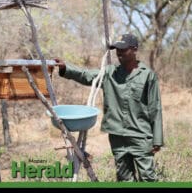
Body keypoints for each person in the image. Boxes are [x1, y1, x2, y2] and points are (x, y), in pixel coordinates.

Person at [54, 33, 163, 182]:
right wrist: (66, 68)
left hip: (140, 136)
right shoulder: (109, 73)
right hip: (117, 136)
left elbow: (155, 108)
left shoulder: (148, 76)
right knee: (124, 177)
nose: (119, 53)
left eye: (123, 49)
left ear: (134, 49)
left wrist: (157, 139)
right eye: (117, 49)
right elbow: (86, 75)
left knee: (148, 177)